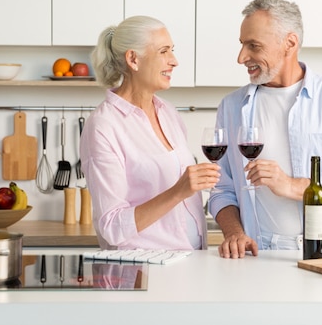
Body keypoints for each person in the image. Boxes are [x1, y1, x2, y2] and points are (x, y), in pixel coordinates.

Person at [207, 0, 322, 259]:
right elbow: (221, 189)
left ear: (290, 43)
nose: (241, 57)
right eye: (242, 45)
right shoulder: (231, 107)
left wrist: (291, 185)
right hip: (258, 258)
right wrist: (233, 233)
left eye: (254, 45)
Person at [80, 15, 221, 250]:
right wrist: (178, 191)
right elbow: (112, 227)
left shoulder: (169, 113)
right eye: (164, 51)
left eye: (172, 50)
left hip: (189, 263)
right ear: (133, 59)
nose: (174, 61)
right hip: (142, 271)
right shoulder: (104, 125)